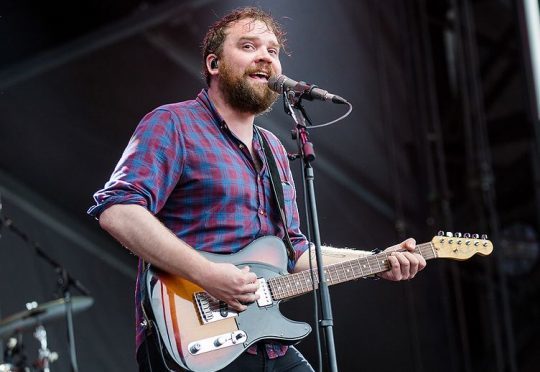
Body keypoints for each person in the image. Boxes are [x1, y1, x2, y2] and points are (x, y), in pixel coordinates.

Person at [88, 6, 426, 372]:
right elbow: (118, 210)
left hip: (266, 342)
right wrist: (209, 275)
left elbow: (294, 252)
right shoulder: (174, 123)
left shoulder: (275, 149)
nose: (265, 56)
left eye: (273, 50)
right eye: (248, 46)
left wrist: (376, 262)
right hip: (195, 340)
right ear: (214, 65)